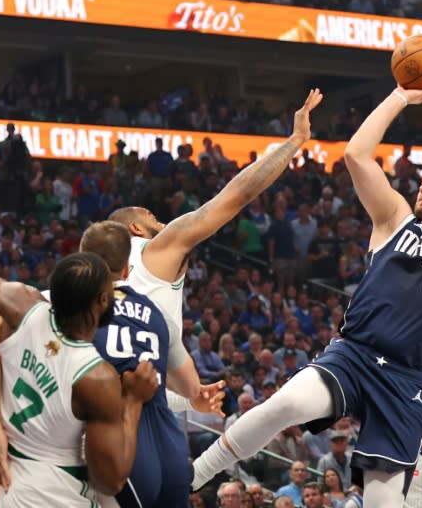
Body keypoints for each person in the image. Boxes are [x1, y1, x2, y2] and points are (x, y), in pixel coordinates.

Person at [192, 53, 422, 508]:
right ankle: (192, 475)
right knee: (285, 405)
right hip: (355, 353)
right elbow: (355, 154)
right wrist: (400, 96)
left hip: (407, 382)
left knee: (383, 503)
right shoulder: (394, 219)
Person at [107, 89, 322, 402]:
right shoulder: (152, 249)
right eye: (152, 216)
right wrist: (295, 140)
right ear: (136, 228)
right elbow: (235, 196)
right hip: (139, 401)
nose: (163, 223)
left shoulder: (89, 272)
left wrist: (190, 397)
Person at [0, 252, 158, 505]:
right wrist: (134, 401)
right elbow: (109, 480)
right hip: (49, 493)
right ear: (103, 300)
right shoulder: (95, 376)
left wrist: (19, 293)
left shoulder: (24, 306)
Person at [80, 221, 224, 508]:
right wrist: (193, 400)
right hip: (166, 440)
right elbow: (191, 388)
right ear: (125, 269)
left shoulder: (69, 307)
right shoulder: (157, 315)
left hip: (117, 433)